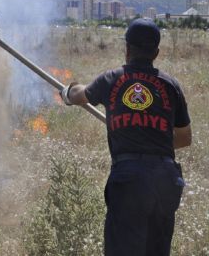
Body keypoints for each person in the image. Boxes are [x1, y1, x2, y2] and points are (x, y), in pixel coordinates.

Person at [60, 18, 192, 256]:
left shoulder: (114, 78)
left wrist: (67, 92)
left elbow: (80, 95)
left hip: (130, 179)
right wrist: (155, 139)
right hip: (166, 179)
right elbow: (184, 138)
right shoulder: (171, 85)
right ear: (157, 52)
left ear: (127, 49)